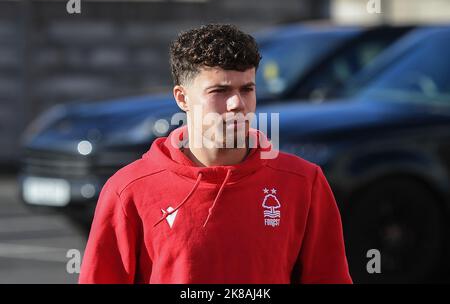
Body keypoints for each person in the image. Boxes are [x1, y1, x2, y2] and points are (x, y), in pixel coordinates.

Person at [79, 23, 352, 284]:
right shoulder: (129, 190)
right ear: (182, 98)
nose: (237, 103)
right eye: (220, 91)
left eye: (247, 89)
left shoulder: (304, 182)